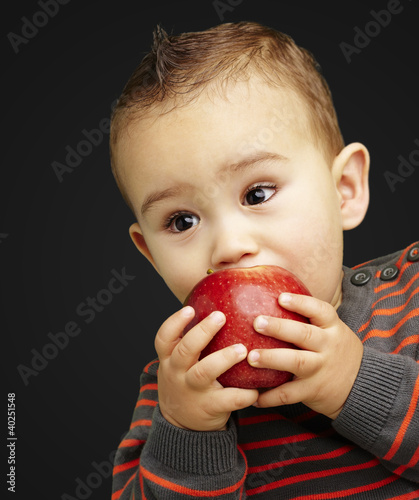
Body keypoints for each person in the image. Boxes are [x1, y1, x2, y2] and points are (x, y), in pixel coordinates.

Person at [109, 21, 419, 499]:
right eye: (182, 222)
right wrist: (188, 432)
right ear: (150, 253)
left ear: (345, 191)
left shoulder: (412, 297)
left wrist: (354, 382)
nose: (229, 246)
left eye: (257, 193)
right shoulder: (176, 387)